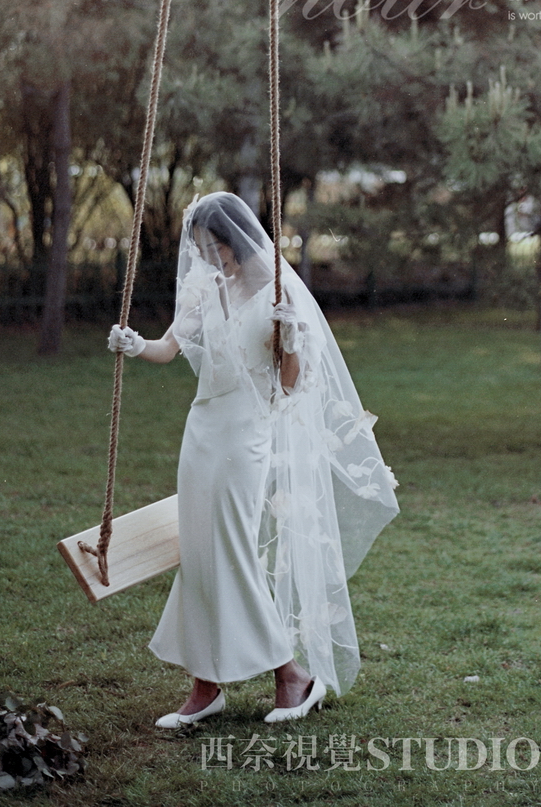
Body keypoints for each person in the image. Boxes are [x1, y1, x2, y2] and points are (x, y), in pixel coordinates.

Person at [108, 191, 398, 727]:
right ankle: (205, 686)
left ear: (237, 241)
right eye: (200, 249)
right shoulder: (205, 287)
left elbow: (288, 386)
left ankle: (292, 674)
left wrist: (291, 338)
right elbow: (169, 348)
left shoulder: (278, 291)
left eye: (215, 248)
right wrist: (134, 344)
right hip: (203, 428)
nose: (208, 259)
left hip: (246, 434)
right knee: (199, 550)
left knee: (233, 550)